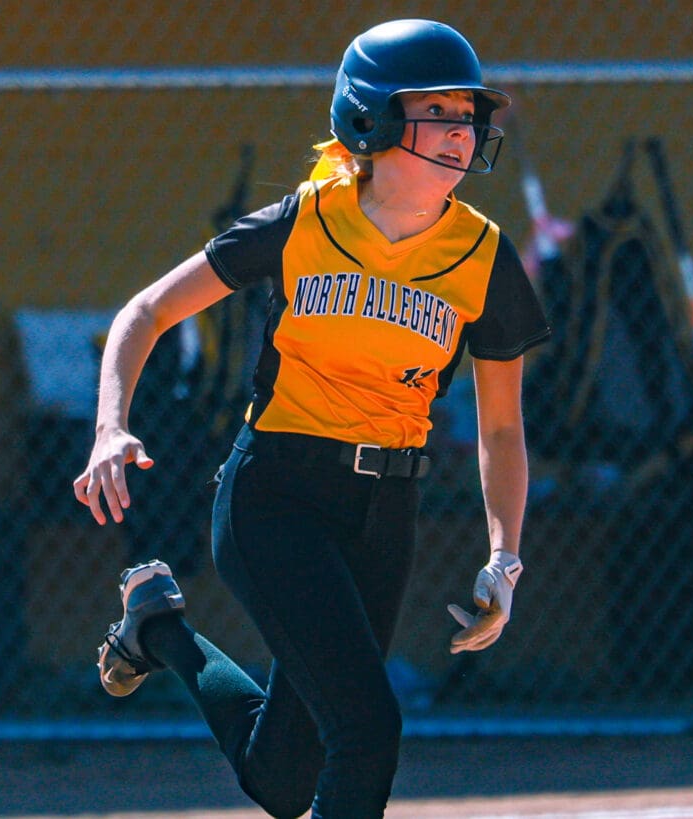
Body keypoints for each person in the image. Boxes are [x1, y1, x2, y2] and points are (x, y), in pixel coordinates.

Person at [73, 18, 550, 819]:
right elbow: (147, 310)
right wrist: (109, 426)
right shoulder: (305, 222)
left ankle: (158, 628)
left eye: (468, 114)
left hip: (384, 512)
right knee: (368, 729)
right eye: (436, 111)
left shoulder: (484, 256)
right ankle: (157, 623)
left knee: (283, 780)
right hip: (277, 496)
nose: (462, 131)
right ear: (372, 118)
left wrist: (504, 557)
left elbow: (503, 430)